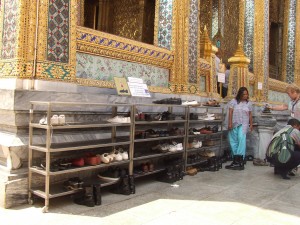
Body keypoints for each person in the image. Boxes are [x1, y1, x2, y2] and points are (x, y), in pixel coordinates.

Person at [225, 87, 253, 170]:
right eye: (244, 94)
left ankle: (240, 160)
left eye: (247, 94)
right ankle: (236, 159)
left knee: (241, 140)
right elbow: (230, 112)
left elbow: (250, 114)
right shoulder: (233, 102)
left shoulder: (248, 103)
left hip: (243, 125)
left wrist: (251, 124)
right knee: (233, 141)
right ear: (240, 94)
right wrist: (229, 123)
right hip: (234, 124)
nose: (246, 95)